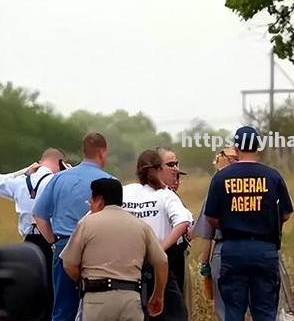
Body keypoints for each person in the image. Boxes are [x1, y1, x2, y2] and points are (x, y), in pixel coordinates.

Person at [204, 126, 294, 321]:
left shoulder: (220, 177)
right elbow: (286, 213)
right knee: (265, 310)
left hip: (232, 248)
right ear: (258, 147)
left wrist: (230, 222)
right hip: (265, 248)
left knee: (233, 310)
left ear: (236, 148)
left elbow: (210, 216)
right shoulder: (273, 176)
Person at [60, 178, 168, 321]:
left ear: (99, 200)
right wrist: (158, 295)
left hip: (96, 299)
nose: (90, 206)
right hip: (131, 298)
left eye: (91, 201)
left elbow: (69, 264)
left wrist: (85, 281)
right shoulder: (141, 226)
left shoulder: (87, 223)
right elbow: (162, 261)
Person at [33, 133, 113, 321]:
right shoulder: (110, 182)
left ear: (83, 151)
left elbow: (39, 215)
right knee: (97, 308)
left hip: (64, 247)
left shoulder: (59, 179)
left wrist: (53, 241)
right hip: (97, 250)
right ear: (102, 152)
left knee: (63, 308)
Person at [122, 149, 193, 321]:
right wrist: (160, 248)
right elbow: (183, 223)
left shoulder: (124, 191)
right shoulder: (165, 194)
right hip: (158, 267)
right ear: (159, 170)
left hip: (126, 266)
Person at [0, 148, 67, 321]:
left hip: (28, 243)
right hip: (50, 239)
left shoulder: (20, 181)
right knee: (52, 290)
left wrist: (22, 172)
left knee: (30, 287)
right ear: (60, 163)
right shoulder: (58, 180)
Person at [191, 147, 238, 320]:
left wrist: (205, 264)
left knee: (226, 310)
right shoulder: (261, 179)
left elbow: (207, 232)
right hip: (261, 249)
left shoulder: (217, 184)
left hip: (225, 250)